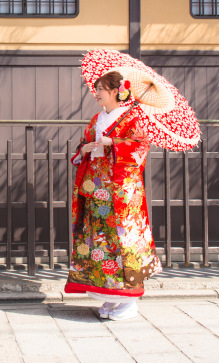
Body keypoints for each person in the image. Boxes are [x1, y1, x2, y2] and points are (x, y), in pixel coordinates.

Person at [64, 69, 162, 320]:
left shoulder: (132, 119)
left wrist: (114, 143)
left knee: (122, 241)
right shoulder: (97, 119)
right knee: (98, 241)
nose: (96, 93)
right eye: (96, 89)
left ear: (117, 92)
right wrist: (85, 148)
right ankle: (108, 298)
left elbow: (141, 147)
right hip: (96, 190)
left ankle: (128, 302)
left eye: (101, 89)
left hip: (121, 193)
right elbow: (81, 147)